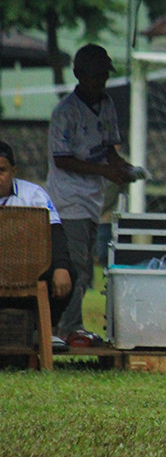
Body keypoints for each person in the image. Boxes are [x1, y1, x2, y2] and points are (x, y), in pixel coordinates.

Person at [46, 43, 140, 344]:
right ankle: (64, 328)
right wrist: (104, 171)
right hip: (68, 200)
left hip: (92, 201)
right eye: (94, 75)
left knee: (86, 267)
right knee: (77, 268)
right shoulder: (65, 113)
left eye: (104, 75)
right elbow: (62, 159)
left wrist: (124, 169)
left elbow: (110, 151)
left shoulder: (107, 104)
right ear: (78, 74)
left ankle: (66, 326)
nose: (100, 81)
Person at [0, 141, 76, 352]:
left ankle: (39, 331)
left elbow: (55, 232)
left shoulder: (33, 194)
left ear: (13, 171)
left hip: (27, 271)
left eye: (2, 170)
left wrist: (61, 266)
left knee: (67, 272)